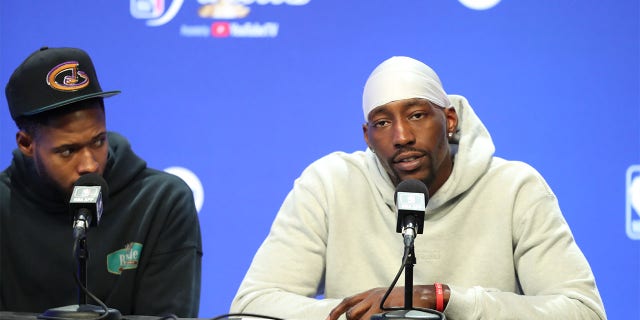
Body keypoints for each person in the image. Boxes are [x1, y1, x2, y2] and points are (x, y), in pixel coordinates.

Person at [230, 56, 607, 320]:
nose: (401, 136)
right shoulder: (328, 183)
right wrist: (366, 313)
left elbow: (583, 312)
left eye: (416, 115)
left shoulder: (515, 188)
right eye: (381, 122)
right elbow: (251, 307)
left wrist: (442, 300)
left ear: (450, 119)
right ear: (367, 136)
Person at [0, 46, 202, 317]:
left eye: (98, 141)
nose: (90, 164)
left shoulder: (160, 202)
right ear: (26, 143)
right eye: (67, 150)